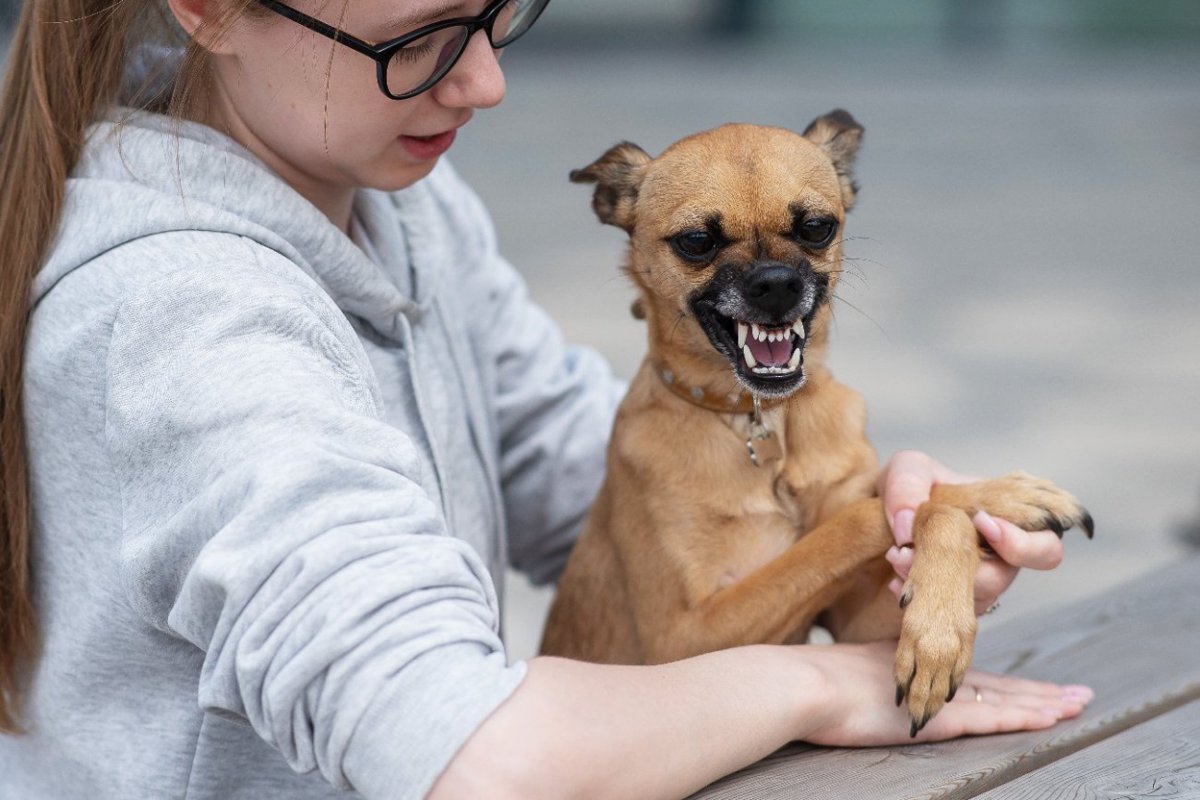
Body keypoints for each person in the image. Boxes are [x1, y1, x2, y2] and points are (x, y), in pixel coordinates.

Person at [0, 1, 1091, 798]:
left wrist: (859, 515)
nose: (485, 84)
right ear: (209, 11)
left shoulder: (390, 190)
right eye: (415, 42)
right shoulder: (183, 320)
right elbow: (472, 755)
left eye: (498, 13)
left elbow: (581, 478)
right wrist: (820, 686)